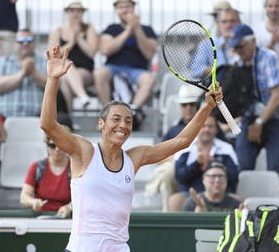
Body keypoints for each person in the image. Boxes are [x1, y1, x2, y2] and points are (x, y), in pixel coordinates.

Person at [41, 44, 222, 252]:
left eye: (128, 121)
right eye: (116, 119)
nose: (123, 125)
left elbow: (182, 141)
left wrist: (207, 106)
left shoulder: (134, 158)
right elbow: (48, 124)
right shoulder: (84, 151)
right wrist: (53, 79)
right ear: (101, 123)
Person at [229, 23, 279, 176]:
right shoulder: (236, 63)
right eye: (235, 48)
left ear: (253, 42)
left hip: (277, 120)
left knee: (275, 169)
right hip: (250, 119)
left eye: (241, 47)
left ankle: (277, 199)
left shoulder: (268, 57)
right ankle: (242, 200)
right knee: (242, 166)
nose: (238, 51)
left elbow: (277, 96)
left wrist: (259, 123)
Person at [93, 0, 157, 130]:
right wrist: (128, 30)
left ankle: (132, 111)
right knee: (99, 74)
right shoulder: (112, 28)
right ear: (116, 10)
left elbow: (149, 53)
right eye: (121, 7)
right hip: (113, 68)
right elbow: (106, 50)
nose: (125, 10)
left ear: (134, 8)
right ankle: (107, 112)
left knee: (149, 79)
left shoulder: (147, 29)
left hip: (137, 70)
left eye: (127, 6)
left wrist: (137, 28)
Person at [144, 84, 203, 212]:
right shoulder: (173, 130)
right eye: (184, 105)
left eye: (192, 104)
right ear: (180, 107)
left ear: (197, 106)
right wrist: (175, 160)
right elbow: (158, 155)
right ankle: (168, 216)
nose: (188, 108)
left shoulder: (207, 126)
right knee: (167, 175)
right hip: (179, 169)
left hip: (203, 168)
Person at [168, 114, 239, 211]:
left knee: (238, 200)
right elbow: (179, 177)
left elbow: (234, 179)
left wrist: (214, 165)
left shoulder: (226, 149)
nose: (206, 130)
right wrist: (196, 164)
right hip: (191, 195)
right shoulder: (185, 147)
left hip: (221, 195)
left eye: (210, 126)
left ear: (216, 129)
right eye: (203, 126)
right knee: (175, 200)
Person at [47, 0, 98, 112]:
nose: (75, 13)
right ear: (67, 12)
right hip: (64, 72)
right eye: (72, 11)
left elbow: (91, 52)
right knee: (66, 75)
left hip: (85, 71)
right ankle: (82, 96)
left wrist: (79, 38)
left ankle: (68, 119)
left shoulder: (89, 28)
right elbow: (52, 55)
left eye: (79, 11)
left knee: (66, 69)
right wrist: (72, 41)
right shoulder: (58, 31)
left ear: (83, 13)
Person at [20, 113, 72, 217]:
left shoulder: (76, 167)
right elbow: (24, 197)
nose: (57, 149)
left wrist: (69, 207)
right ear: (47, 145)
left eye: (61, 145)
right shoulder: (37, 167)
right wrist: (33, 202)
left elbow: (84, 197)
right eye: (53, 145)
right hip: (41, 218)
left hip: (68, 219)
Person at [0, 28, 46, 118]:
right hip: (4, 119)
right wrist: (22, 73)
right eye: (21, 40)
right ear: (14, 44)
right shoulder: (3, 61)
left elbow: (55, 85)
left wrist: (33, 72)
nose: (25, 43)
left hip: (37, 119)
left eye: (29, 40)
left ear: (34, 43)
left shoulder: (44, 61)